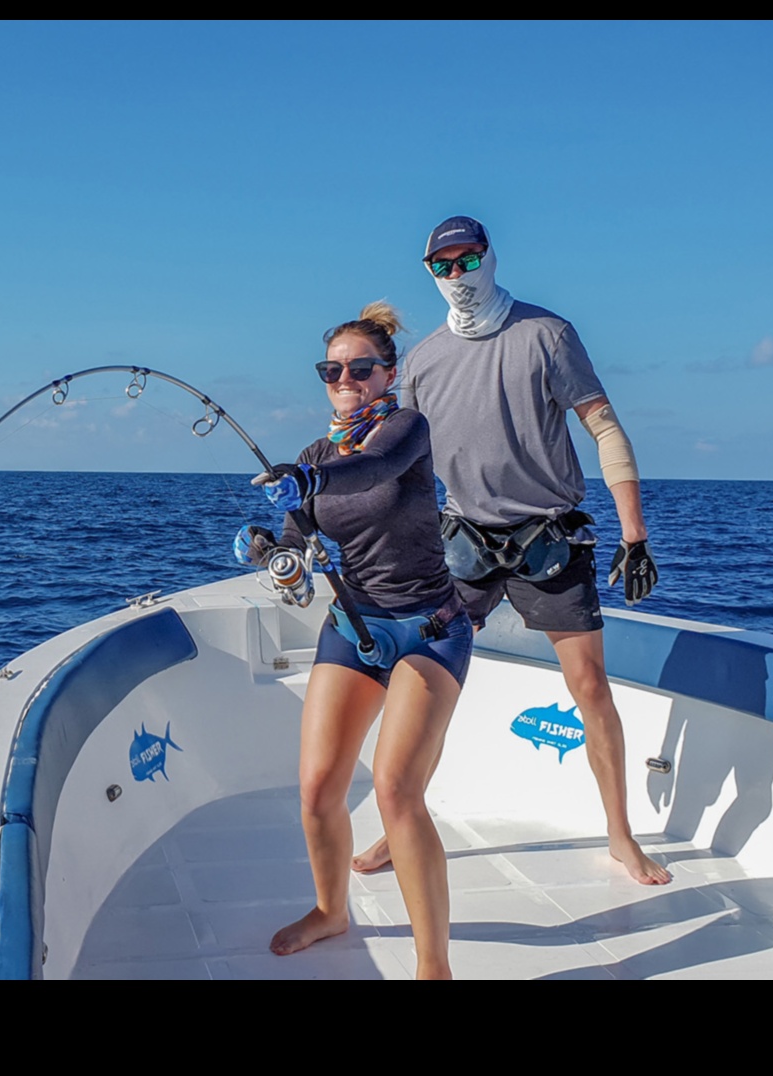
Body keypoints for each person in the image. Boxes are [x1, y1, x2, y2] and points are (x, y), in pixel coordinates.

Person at [349, 215, 671, 886]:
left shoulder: (547, 334)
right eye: (444, 265)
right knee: (423, 690)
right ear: (429, 272)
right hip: (459, 543)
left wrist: (634, 534)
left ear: (490, 257)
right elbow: (395, 465)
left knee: (589, 687)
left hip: (546, 541)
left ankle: (620, 834)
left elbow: (604, 428)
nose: (458, 275)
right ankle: (397, 825)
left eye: (468, 260)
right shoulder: (424, 363)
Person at [234, 302, 473, 979]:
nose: (345, 378)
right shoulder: (312, 456)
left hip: (430, 631)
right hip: (354, 629)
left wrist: (307, 481)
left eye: (359, 368)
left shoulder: (406, 429)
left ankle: (434, 966)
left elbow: (370, 471)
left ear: (387, 374)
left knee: (397, 791)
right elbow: (295, 540)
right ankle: (330, 910)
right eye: (332, 369)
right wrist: (271, 553)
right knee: (317, 791)